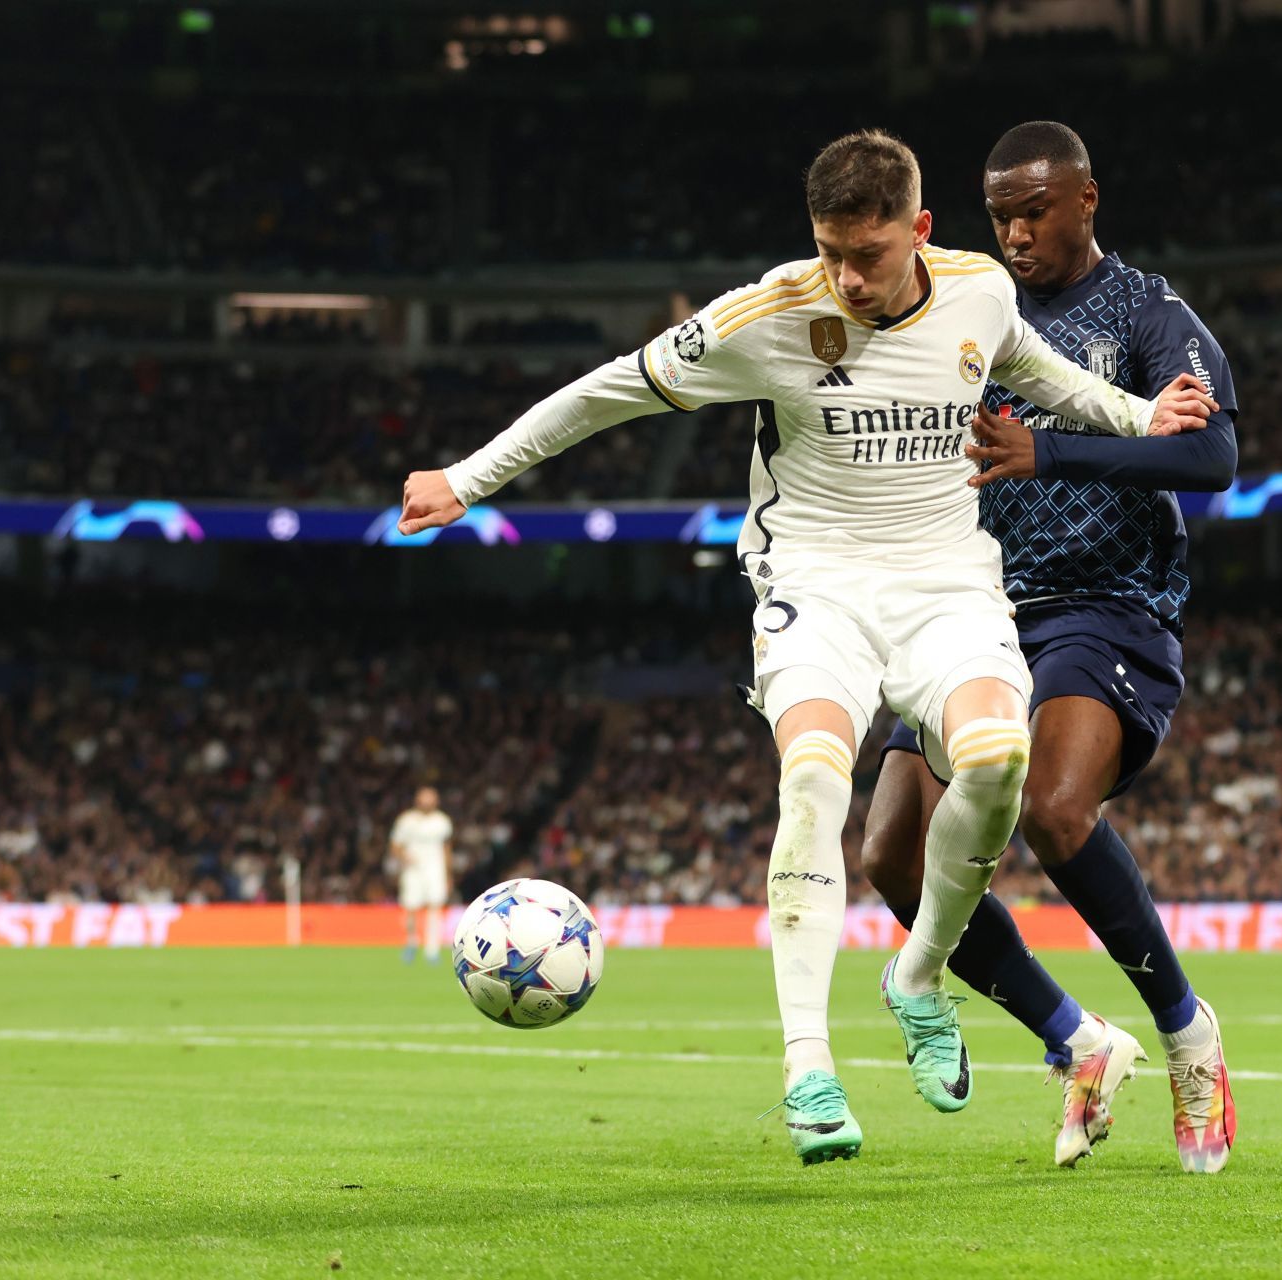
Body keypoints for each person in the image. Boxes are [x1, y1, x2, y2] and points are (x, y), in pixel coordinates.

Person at [396, 129, 1217, 1165]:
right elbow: (607, 389)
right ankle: (807, 1064)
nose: (846, 277)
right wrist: (468, 478)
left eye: (867, 255)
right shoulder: (770, 314)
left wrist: (1146, 417)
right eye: (829, 251)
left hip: (945, 584)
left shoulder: (974, 294)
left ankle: (916, 976)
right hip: (815, 584)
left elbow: (1051, 381)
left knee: (1000, 762)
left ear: (919, 232)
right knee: (816, 781)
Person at [861, 122, 1239, 1173]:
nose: (1018, 233)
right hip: (968, 610)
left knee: (1057, 809)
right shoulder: (971, 309)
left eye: (1036, 211)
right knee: (891, 854)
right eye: (1000, 216)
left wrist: (1052, 449)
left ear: (1086, 200)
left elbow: (1212, 454)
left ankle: (1187, 1035)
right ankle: (1076, 1037)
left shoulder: (1149, 313)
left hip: (1106, 603)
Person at [391, 787, 453, 963]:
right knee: (410, 907)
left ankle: (432, 950)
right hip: (413, 870)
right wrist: (404, 857)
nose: (427, 802)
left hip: (435, 870)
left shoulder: (442, 821)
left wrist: (448, 874)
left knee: (435, 907)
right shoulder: (406, 820)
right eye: (424, 798)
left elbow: (447, 848)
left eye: (431, 798)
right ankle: (411, 942)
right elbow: (395, 845)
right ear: (417, 800)